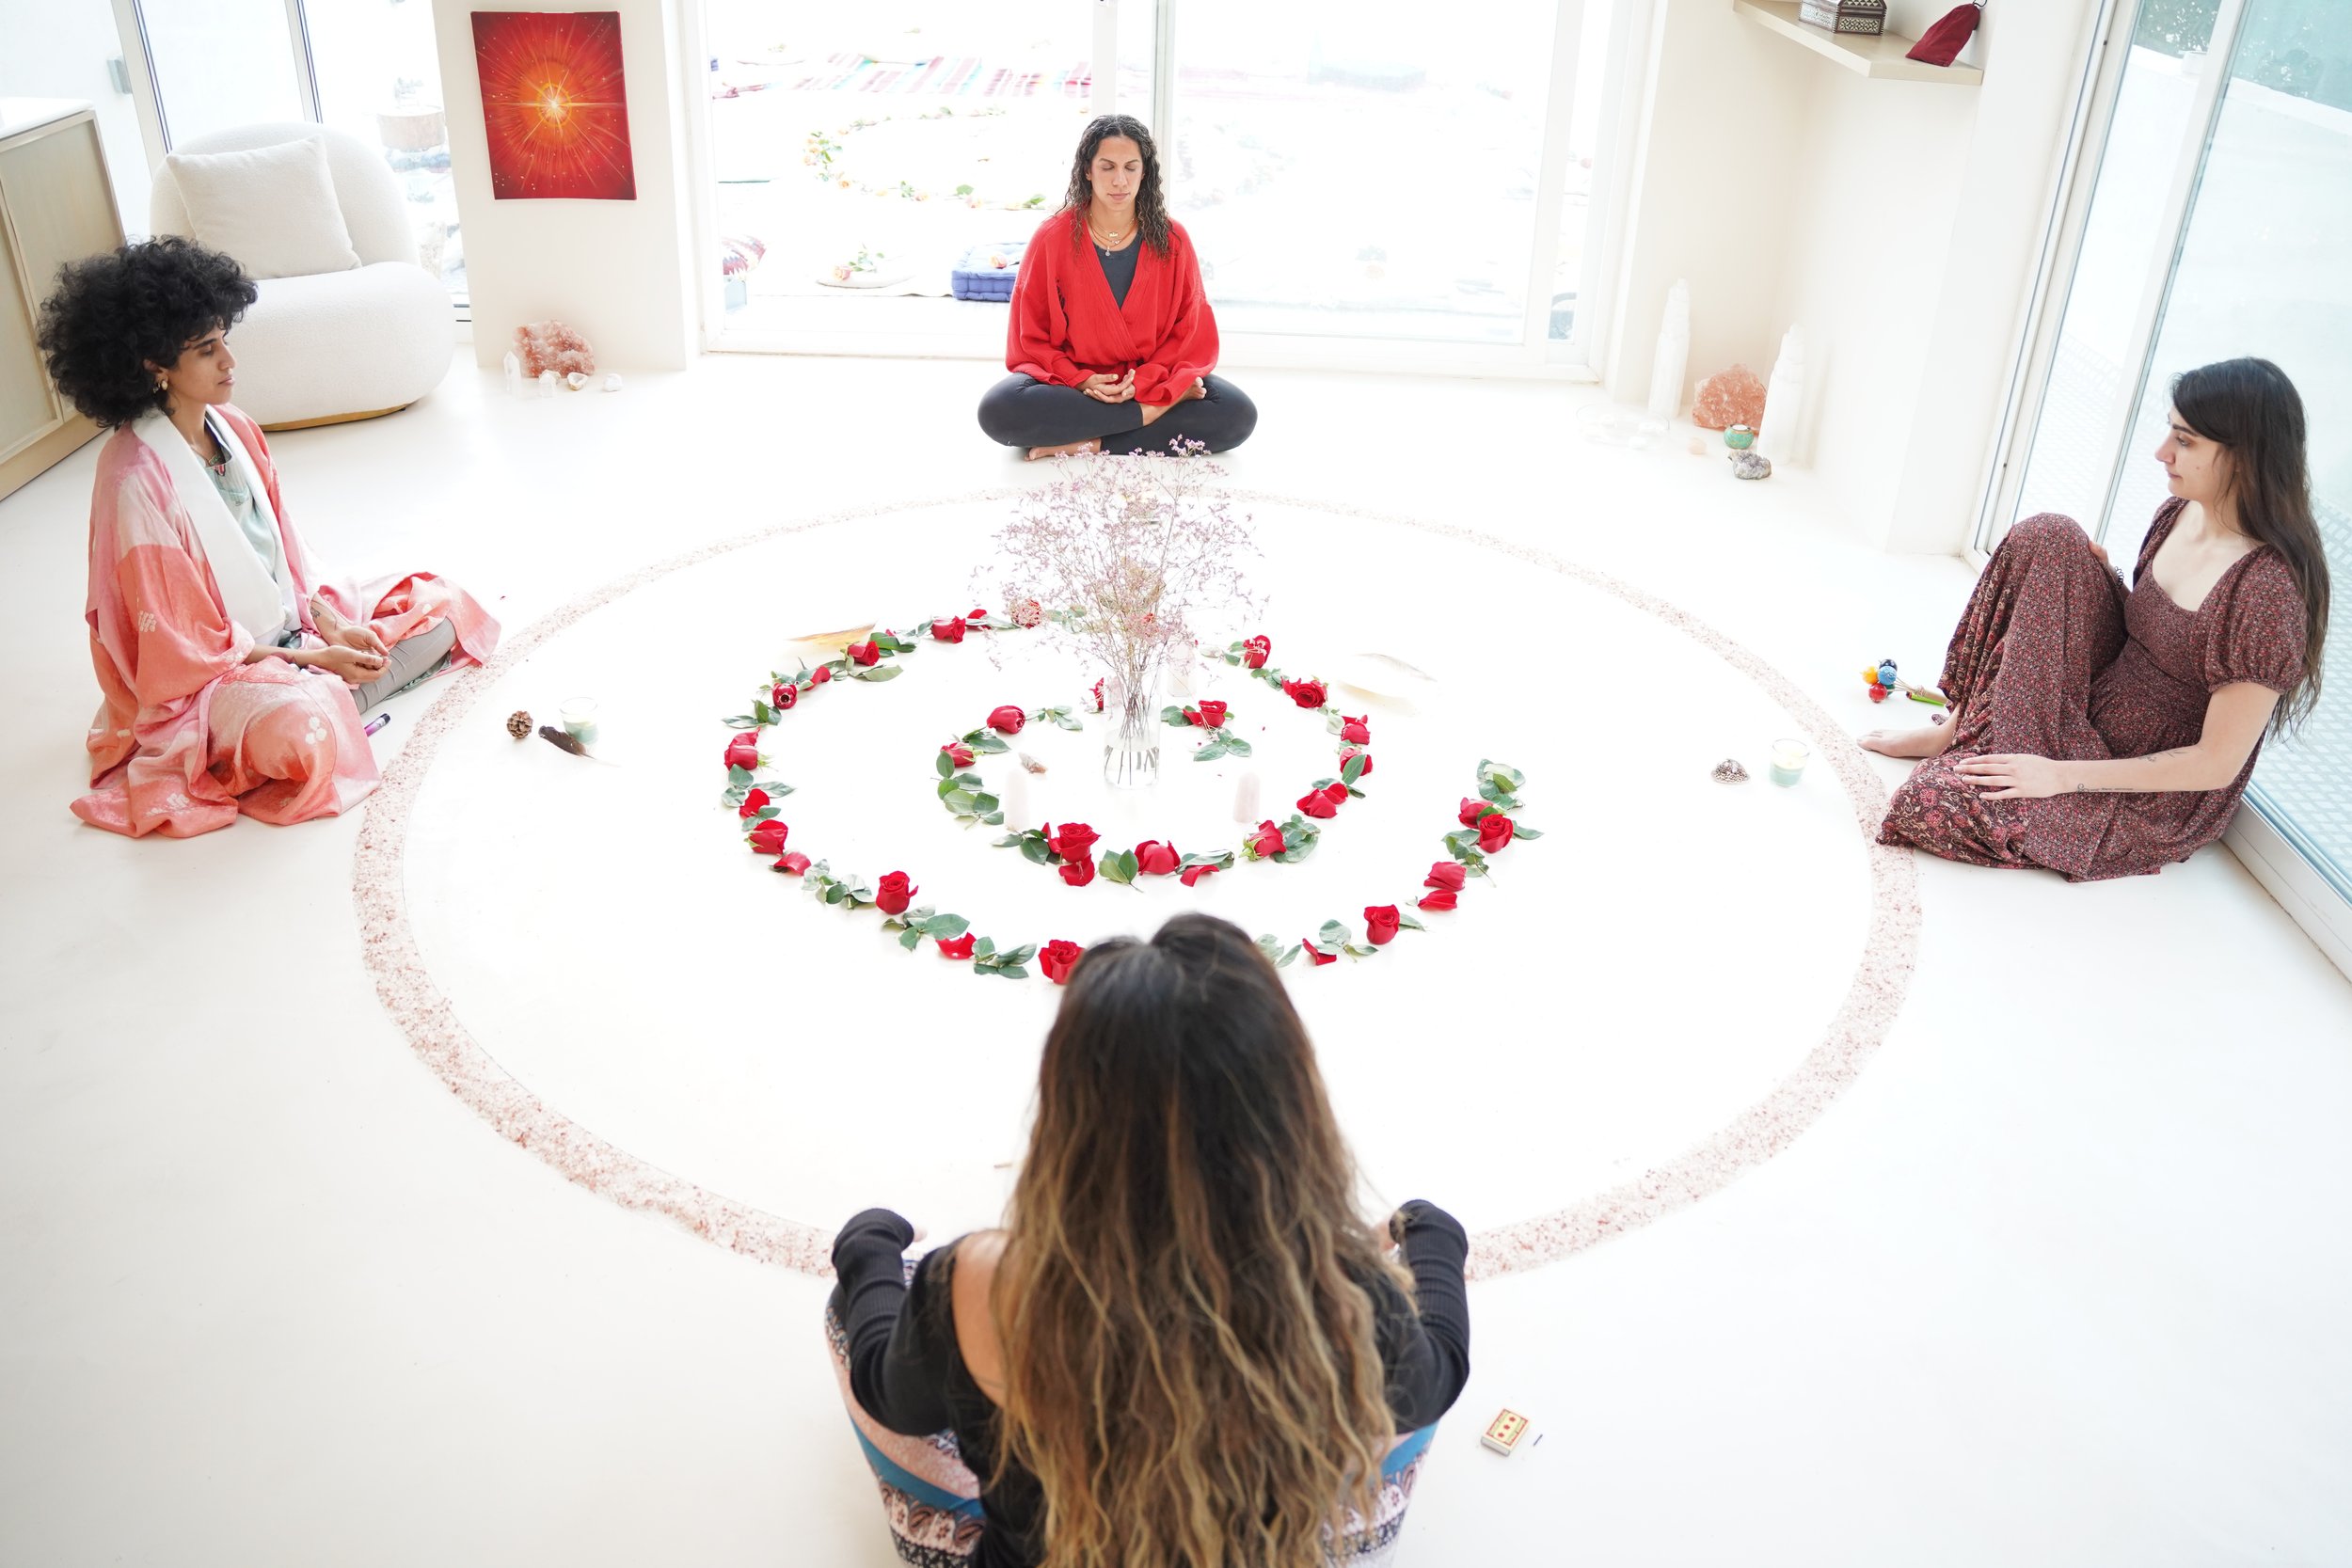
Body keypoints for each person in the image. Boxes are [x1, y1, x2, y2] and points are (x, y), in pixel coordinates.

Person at [830, 914, 1470, 1568]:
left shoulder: (975, 1279)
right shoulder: (1342, 1293)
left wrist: (868, 1245)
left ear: (1072, 1110)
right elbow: (1438, 1375)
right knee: (1386, 1343)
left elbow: (889, 1393)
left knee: (854, 1313)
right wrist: (1429, 1231)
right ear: (1285, 1108)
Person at [37, 237, 498, 838]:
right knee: (301, 728)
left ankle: (339, 689)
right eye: (206, 350)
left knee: (442, 602)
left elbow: (291, 566)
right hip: (214, 677)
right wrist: (311, 660)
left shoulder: (235, 427)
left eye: (225, 339)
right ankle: (331, 693)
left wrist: (331, 625)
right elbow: (181, 656)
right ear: (153, 365)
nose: (229, 361)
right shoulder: (134, 483)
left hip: (292, 635)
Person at [1866, 357, 2328, 880]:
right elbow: (2162, 636)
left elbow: (2216, 762)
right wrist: (2106, 583)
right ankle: (1959, 726)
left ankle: (2004, 749)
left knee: (1926, 805)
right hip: (2105, 692)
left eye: (2186, 441)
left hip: (2141, 779)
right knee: (2051, 535)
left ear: (2244, 457)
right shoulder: (2181, 511)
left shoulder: (2266, 593)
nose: (2162, 453)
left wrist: (2057, 776)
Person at [977, 115, 1257, 461]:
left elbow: (1189, 332)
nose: (1120, 180)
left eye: (1131, 167)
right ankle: (1153, 415)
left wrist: (1144, 385)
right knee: (999, 410)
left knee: (1237, 414)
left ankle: (1093, 442)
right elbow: (1030, 338)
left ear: (1145, 173)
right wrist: (1082, 380)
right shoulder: (1051, 238)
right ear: (1087, 170)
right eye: (1107, 167)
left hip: (1152, 380)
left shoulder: (1173, 239)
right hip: (1077, 388)